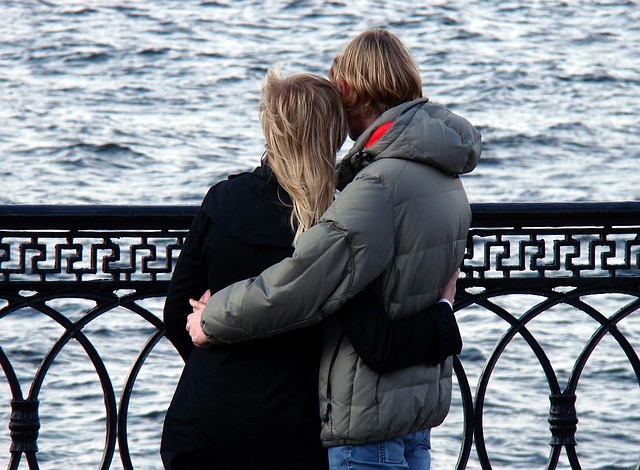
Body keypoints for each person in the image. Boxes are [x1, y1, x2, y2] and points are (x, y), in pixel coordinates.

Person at [187, 28, 481, 469]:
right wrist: (442, 314)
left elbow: (302, 282)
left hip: (367, 418)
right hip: (413, 411)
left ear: (344, 90)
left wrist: (210, 319)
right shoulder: (442, 173)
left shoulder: (378, 185)